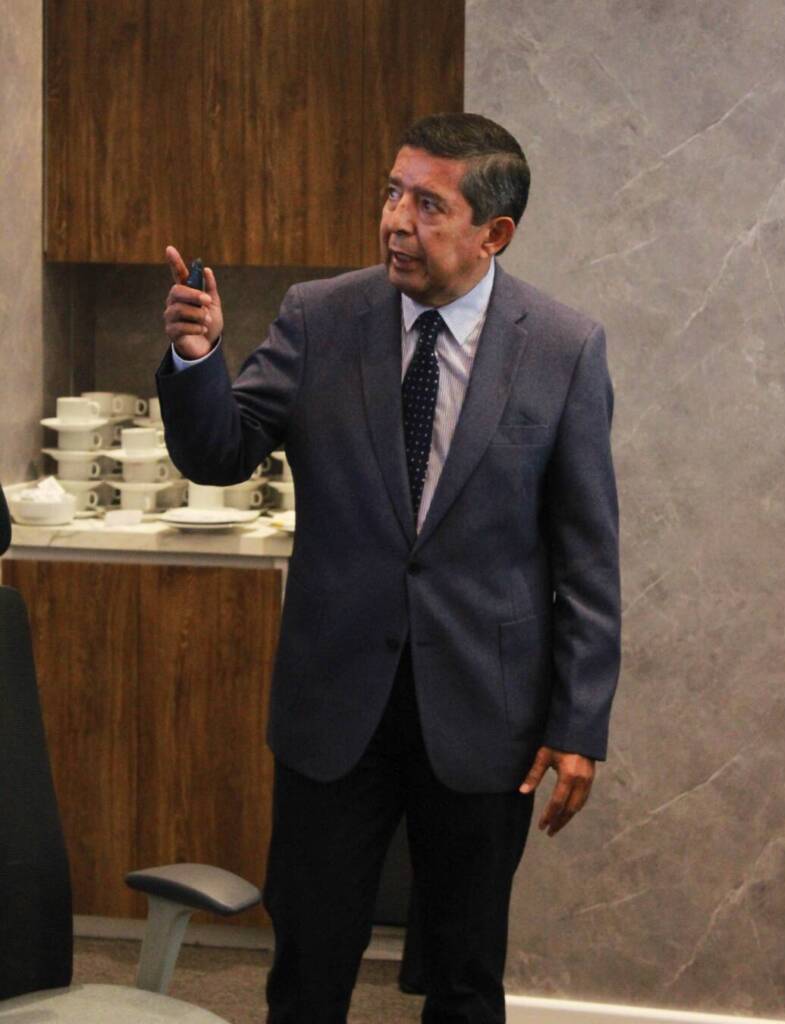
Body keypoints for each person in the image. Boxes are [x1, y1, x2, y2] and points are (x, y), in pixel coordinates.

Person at [157, 112, 620, 1024]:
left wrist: (579, 722)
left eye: (428, 204)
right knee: (309, 967)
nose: (396, 220)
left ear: (494, 233)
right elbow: (220, 453)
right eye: (392, 192)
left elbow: (586, 552)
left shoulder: (563, 347)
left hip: (484, 707)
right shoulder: (318, 317)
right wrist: (196, 357)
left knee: (462, 974)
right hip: (336, 703)